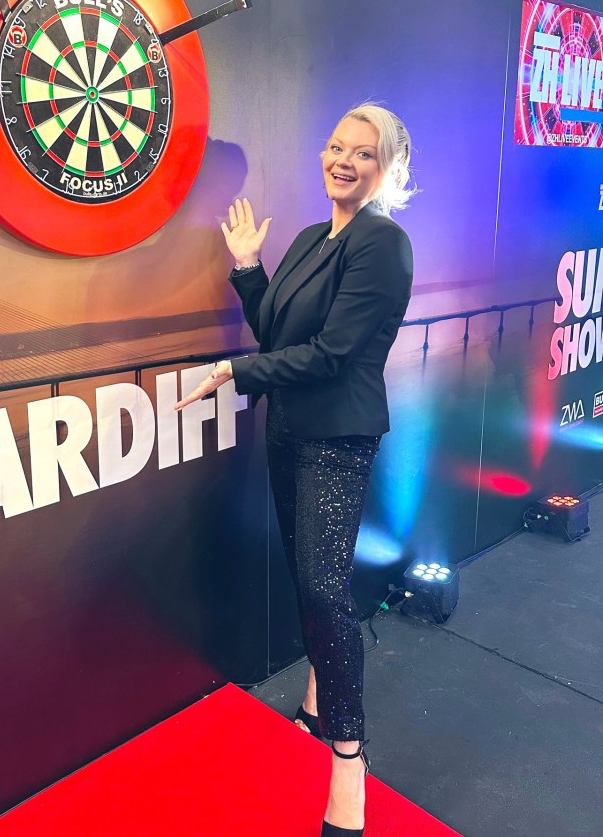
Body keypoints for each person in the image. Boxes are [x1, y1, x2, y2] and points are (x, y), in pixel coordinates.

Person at [175, 104, 414, 836]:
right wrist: (249, 271)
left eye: (363, 153)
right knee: (313, 581)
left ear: (387, 167)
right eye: (336, 146)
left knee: (322, 589)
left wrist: (232, 367)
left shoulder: (381, 242)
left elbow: (333, 354)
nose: (343, 160)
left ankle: (348, 765)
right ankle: (316, 703)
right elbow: (281, 333)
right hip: (288, 430)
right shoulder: (315, 237)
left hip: (336, 438)